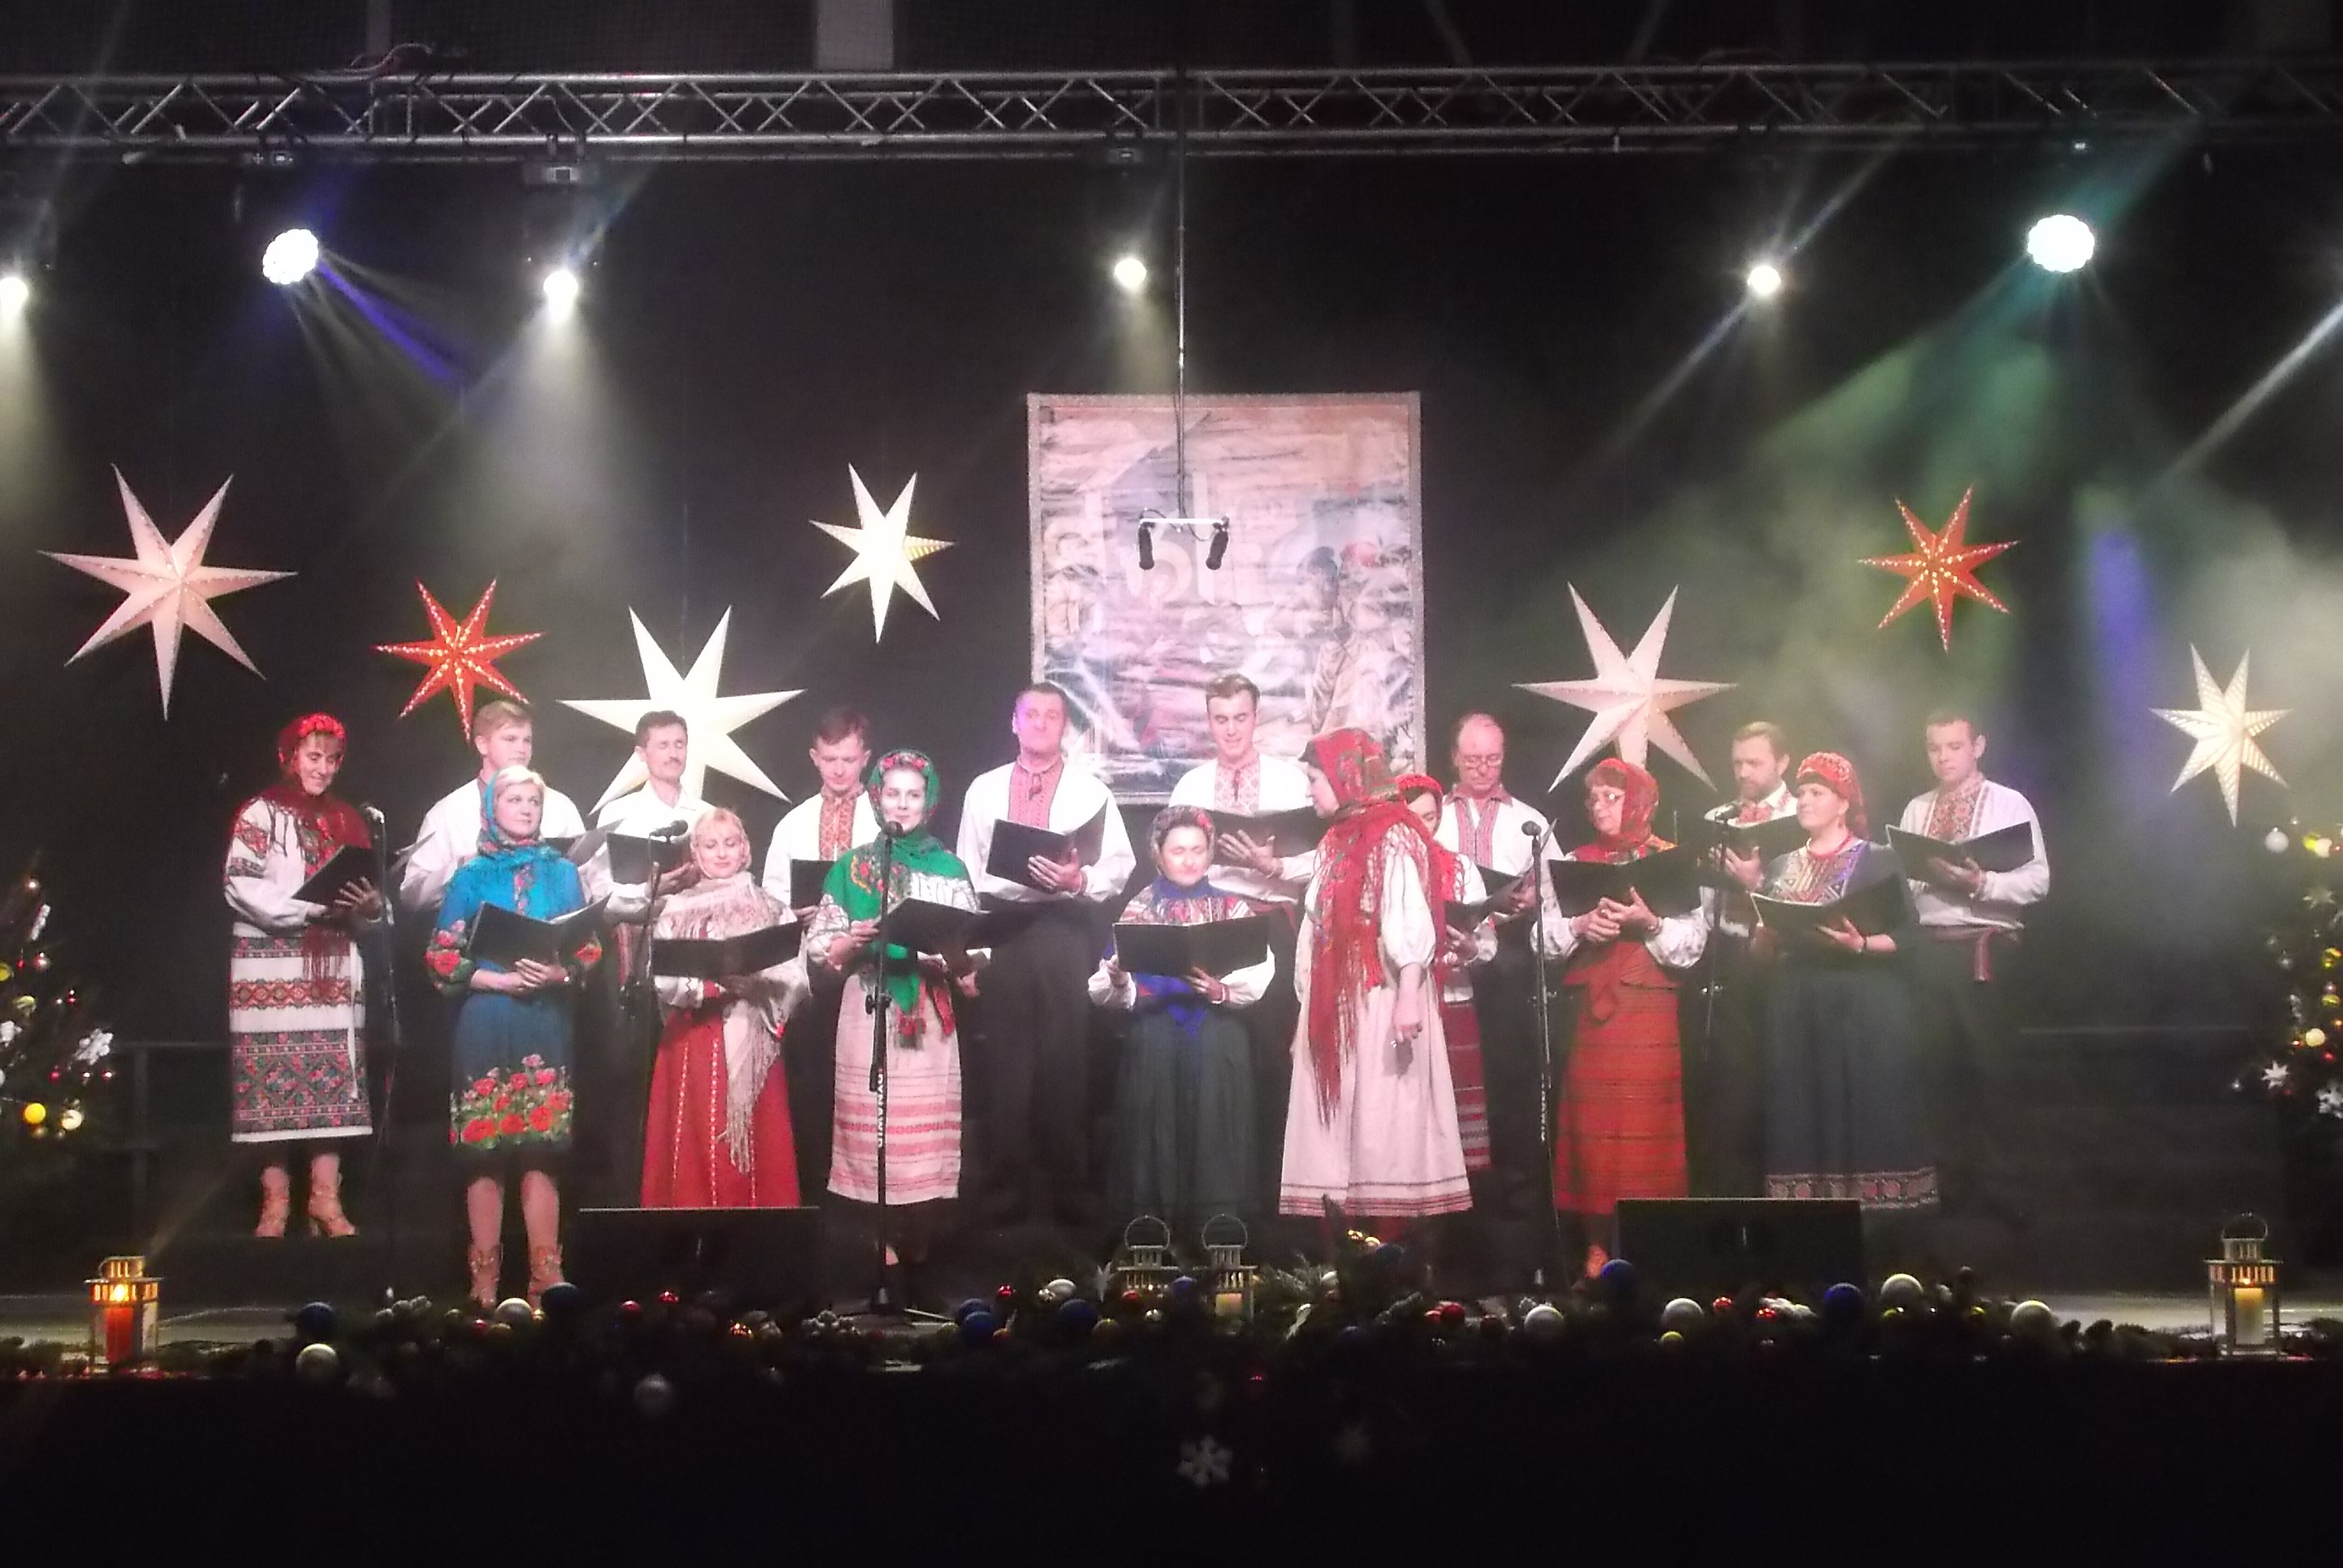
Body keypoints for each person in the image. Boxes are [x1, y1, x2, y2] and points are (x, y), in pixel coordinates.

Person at [1725, 752, 1936, 1232]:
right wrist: (1764, 932)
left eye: (1816, 793)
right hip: (1797, 1005)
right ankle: (1810, 1230)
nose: (1804, 801)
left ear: (1843, 803)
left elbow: (1909, 938)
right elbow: (1761, 956)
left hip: (1862, 1002)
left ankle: (1878, 1234)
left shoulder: (1878, 859)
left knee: (1864, 1111)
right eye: (1801, 793)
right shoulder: (1781, 867)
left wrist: (1859, 944)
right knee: (1803, 1113)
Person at [955, 682, 1137, 1225]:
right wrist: (973, 952)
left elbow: (1120, 865)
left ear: (1064, 727)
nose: (1039, 723)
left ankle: (1069, 1194)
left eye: (1051, 716)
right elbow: (966, 872)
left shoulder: (1091, 792)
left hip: (1063, 928)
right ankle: (1003, 1195)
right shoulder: (984, 790)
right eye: (1030, 714)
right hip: (1004, 929)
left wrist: (1078, 879)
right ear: (1014, 722)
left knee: (1067, 1062)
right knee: (1005, 1067)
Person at [1278, 729, 1471, 1223]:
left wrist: (1408, 997)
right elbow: (1315, 925)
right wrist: (1306, 1010)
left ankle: (1388, 1242)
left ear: (1345, 777)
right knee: (1335, 1126)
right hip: (1334, 999)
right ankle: (1342, 1244)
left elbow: (1409, 918)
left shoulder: (1392, 834)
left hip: (1378, 995)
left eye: (1315, 779)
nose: (1309, 791)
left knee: (1384, 1120)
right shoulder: (1336, 839)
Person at [426, 766, 603, 1307]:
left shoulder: (563, 873)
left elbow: (588, 946)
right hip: (487, 1019)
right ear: (492, 807)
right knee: (485, 1149)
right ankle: (484, 1279)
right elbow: (440, 956)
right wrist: (499, 980)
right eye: (515, 800)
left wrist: (559, 974)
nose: (526, 809)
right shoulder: (470, 875)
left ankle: (545, 1273)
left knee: (541, 1149)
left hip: (545, 1019)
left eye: (533, 801)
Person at [808, 750, 981, 1303]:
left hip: (927, 1010)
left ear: (929, 801)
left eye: (913, 795)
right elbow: (823, 951)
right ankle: (883, 1252)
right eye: (893, 794)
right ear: (877, 799)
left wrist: (958, 957)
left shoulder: (950, 869)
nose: (902, 804)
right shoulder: (853, 866)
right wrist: (851, 940)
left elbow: (971, 967)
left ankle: (921, 1247)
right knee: (875, 1132)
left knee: (920, 1138)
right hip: (870, 1003)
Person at [1542, 759, 1707, 1277]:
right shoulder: (1575, 861)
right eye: (1593, 798)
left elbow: (1694, 943)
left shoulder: (1669, 861)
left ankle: (1647, 1245)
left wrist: (1649, 923)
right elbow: (1541, 938)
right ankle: (1596, 1246)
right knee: (1592, 1129)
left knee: (1646, 1126)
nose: (1599, 807)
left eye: (1612, 797)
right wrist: (1580, 926)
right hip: (1592, 1015)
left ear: (1639, 802)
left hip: (1648, 1009)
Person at [223, 713, 383, 1236]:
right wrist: (312, 909)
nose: (323, 768)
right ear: (290, 757)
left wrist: (370, 906)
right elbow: (242, 885)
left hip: (332, 966)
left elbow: (366, 895)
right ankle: (275, 1204)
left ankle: (324, 1199)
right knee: (269, 1079)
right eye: (314, 757)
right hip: (268, 964)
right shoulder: (261, 813)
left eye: (332, 760)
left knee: (332, 1075)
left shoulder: (348, 820)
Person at [1166, 673, 1316, 1204]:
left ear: (1256, 718)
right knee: (1214, 1051)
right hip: (1212, 923)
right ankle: (1215, 1188)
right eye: (1220, 719)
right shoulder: (1190, 786)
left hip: (1274, 921)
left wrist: (1272, 864)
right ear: (1209, 722)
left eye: (1240, 718)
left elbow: (1317, 860)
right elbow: (1168, 857)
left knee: (1273, 1053)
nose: (1231, 730)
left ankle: (1275, 1192)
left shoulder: (1290, 782)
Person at [1895, 707, 2048, 1223]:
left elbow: (2039, 880)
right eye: (1935, 748)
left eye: (1954, 746)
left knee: (1990, 1071)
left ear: (1978, 747)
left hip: (1987, 949)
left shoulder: (2008, 803)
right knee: (1937, 1073)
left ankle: (2002, 1192)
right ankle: (1947, 1190)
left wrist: (1980, 883)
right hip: (1931, 951)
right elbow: (1904, 885)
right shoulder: (1917, 808)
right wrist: (1925, 876)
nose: (1943, 757)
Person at [1089, 805, 1274, 1226]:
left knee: (1215, 1123)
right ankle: (1156, 1229)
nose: (1189, 860)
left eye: (1197, 850)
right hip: (1157, 1031)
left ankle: (1216, 1227)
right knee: (1155, 1127)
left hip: (1216, 1032)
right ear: (1158, 854)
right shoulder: (1139, 910)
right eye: (1178, 851)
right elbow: (1109, 988)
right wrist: (1118, 977)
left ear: (1210, 853)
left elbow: (1260, 970)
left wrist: (1222, 990)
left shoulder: (1232, 908)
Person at [640, 809, 802, 1208]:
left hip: (753, 1032)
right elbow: (663, 977)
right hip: (696, 1038)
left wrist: (755, 984)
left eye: (731, 843)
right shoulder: (677, 909)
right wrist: (710, 986)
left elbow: (795, 977)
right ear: (696, 853)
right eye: (711, 845)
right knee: (696, 1138)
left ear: (745, 848)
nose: (722, 853)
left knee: (760, 1143)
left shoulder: (771, 907)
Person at [585, 709, 706, 1205]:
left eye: (680, 744)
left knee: (686, 1080)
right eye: (662, 745)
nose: (673, 754)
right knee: (630, 1082)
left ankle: (681, 1194)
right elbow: (600, 898)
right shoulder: (619, 816)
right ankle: (627, 1200)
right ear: (642, 753)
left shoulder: (704, 814)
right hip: (633, 961)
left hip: (693, 957)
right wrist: (655, 890)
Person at [1435, 713, 1551, 1216]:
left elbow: (1557, 895)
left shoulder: (1530, 821)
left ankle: (1510, 1198)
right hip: (1443, 959)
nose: (1483, 769)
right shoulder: (1433, 817)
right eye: (1473, 759)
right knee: (1446, 1080)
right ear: (1454, 758)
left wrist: (1533, 902)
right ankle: (1448, 1193)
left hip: (1506, 963)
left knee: (1506, 1076)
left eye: (1493, 759)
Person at [763, 706, 879, 1199]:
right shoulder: (793, 824)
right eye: (830, 759)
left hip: (869, 965)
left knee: (864, 1077)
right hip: (812, 968)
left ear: (865, 758)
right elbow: (771, 897)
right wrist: (795, 912)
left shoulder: (882, 819)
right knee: (814, 1078)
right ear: (815, 757)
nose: (839, 770)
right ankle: (815, 1184)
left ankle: (864, 1186)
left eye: (849, 759)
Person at [1691, 720, 1796, 1197]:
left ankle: (1782, 1191)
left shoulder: (1801, 813)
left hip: (1784, 957)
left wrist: (1757, 883)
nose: (1744, 772)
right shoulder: (1720, 817)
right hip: (1728, 954)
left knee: (1781, 1077)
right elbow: (1701, 901)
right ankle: (1731, 1195)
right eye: (1737, 763)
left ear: (1782, 762)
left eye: (1755, 762)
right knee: (1733, 1085)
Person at [1396, 773, 1497, 1176]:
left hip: (1453, 998)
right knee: (1405, 1107)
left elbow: (1487, 941)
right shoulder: (1384, 867)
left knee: (1456, 1103)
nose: (1423, 827)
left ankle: (1461, 1200)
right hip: (1404, 1002)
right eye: (1411, 818)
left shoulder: (1461, 867)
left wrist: (1471, 947)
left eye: (1430, 817)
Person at [400, 699, 588, 913]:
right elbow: (411, 896)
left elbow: (587, 879)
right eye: (510, 739)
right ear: (482, 744)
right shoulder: (447, 813)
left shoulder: (561, 807)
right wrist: (462, 866)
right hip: (473, 927)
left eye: (527, 740)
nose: (521, 749)